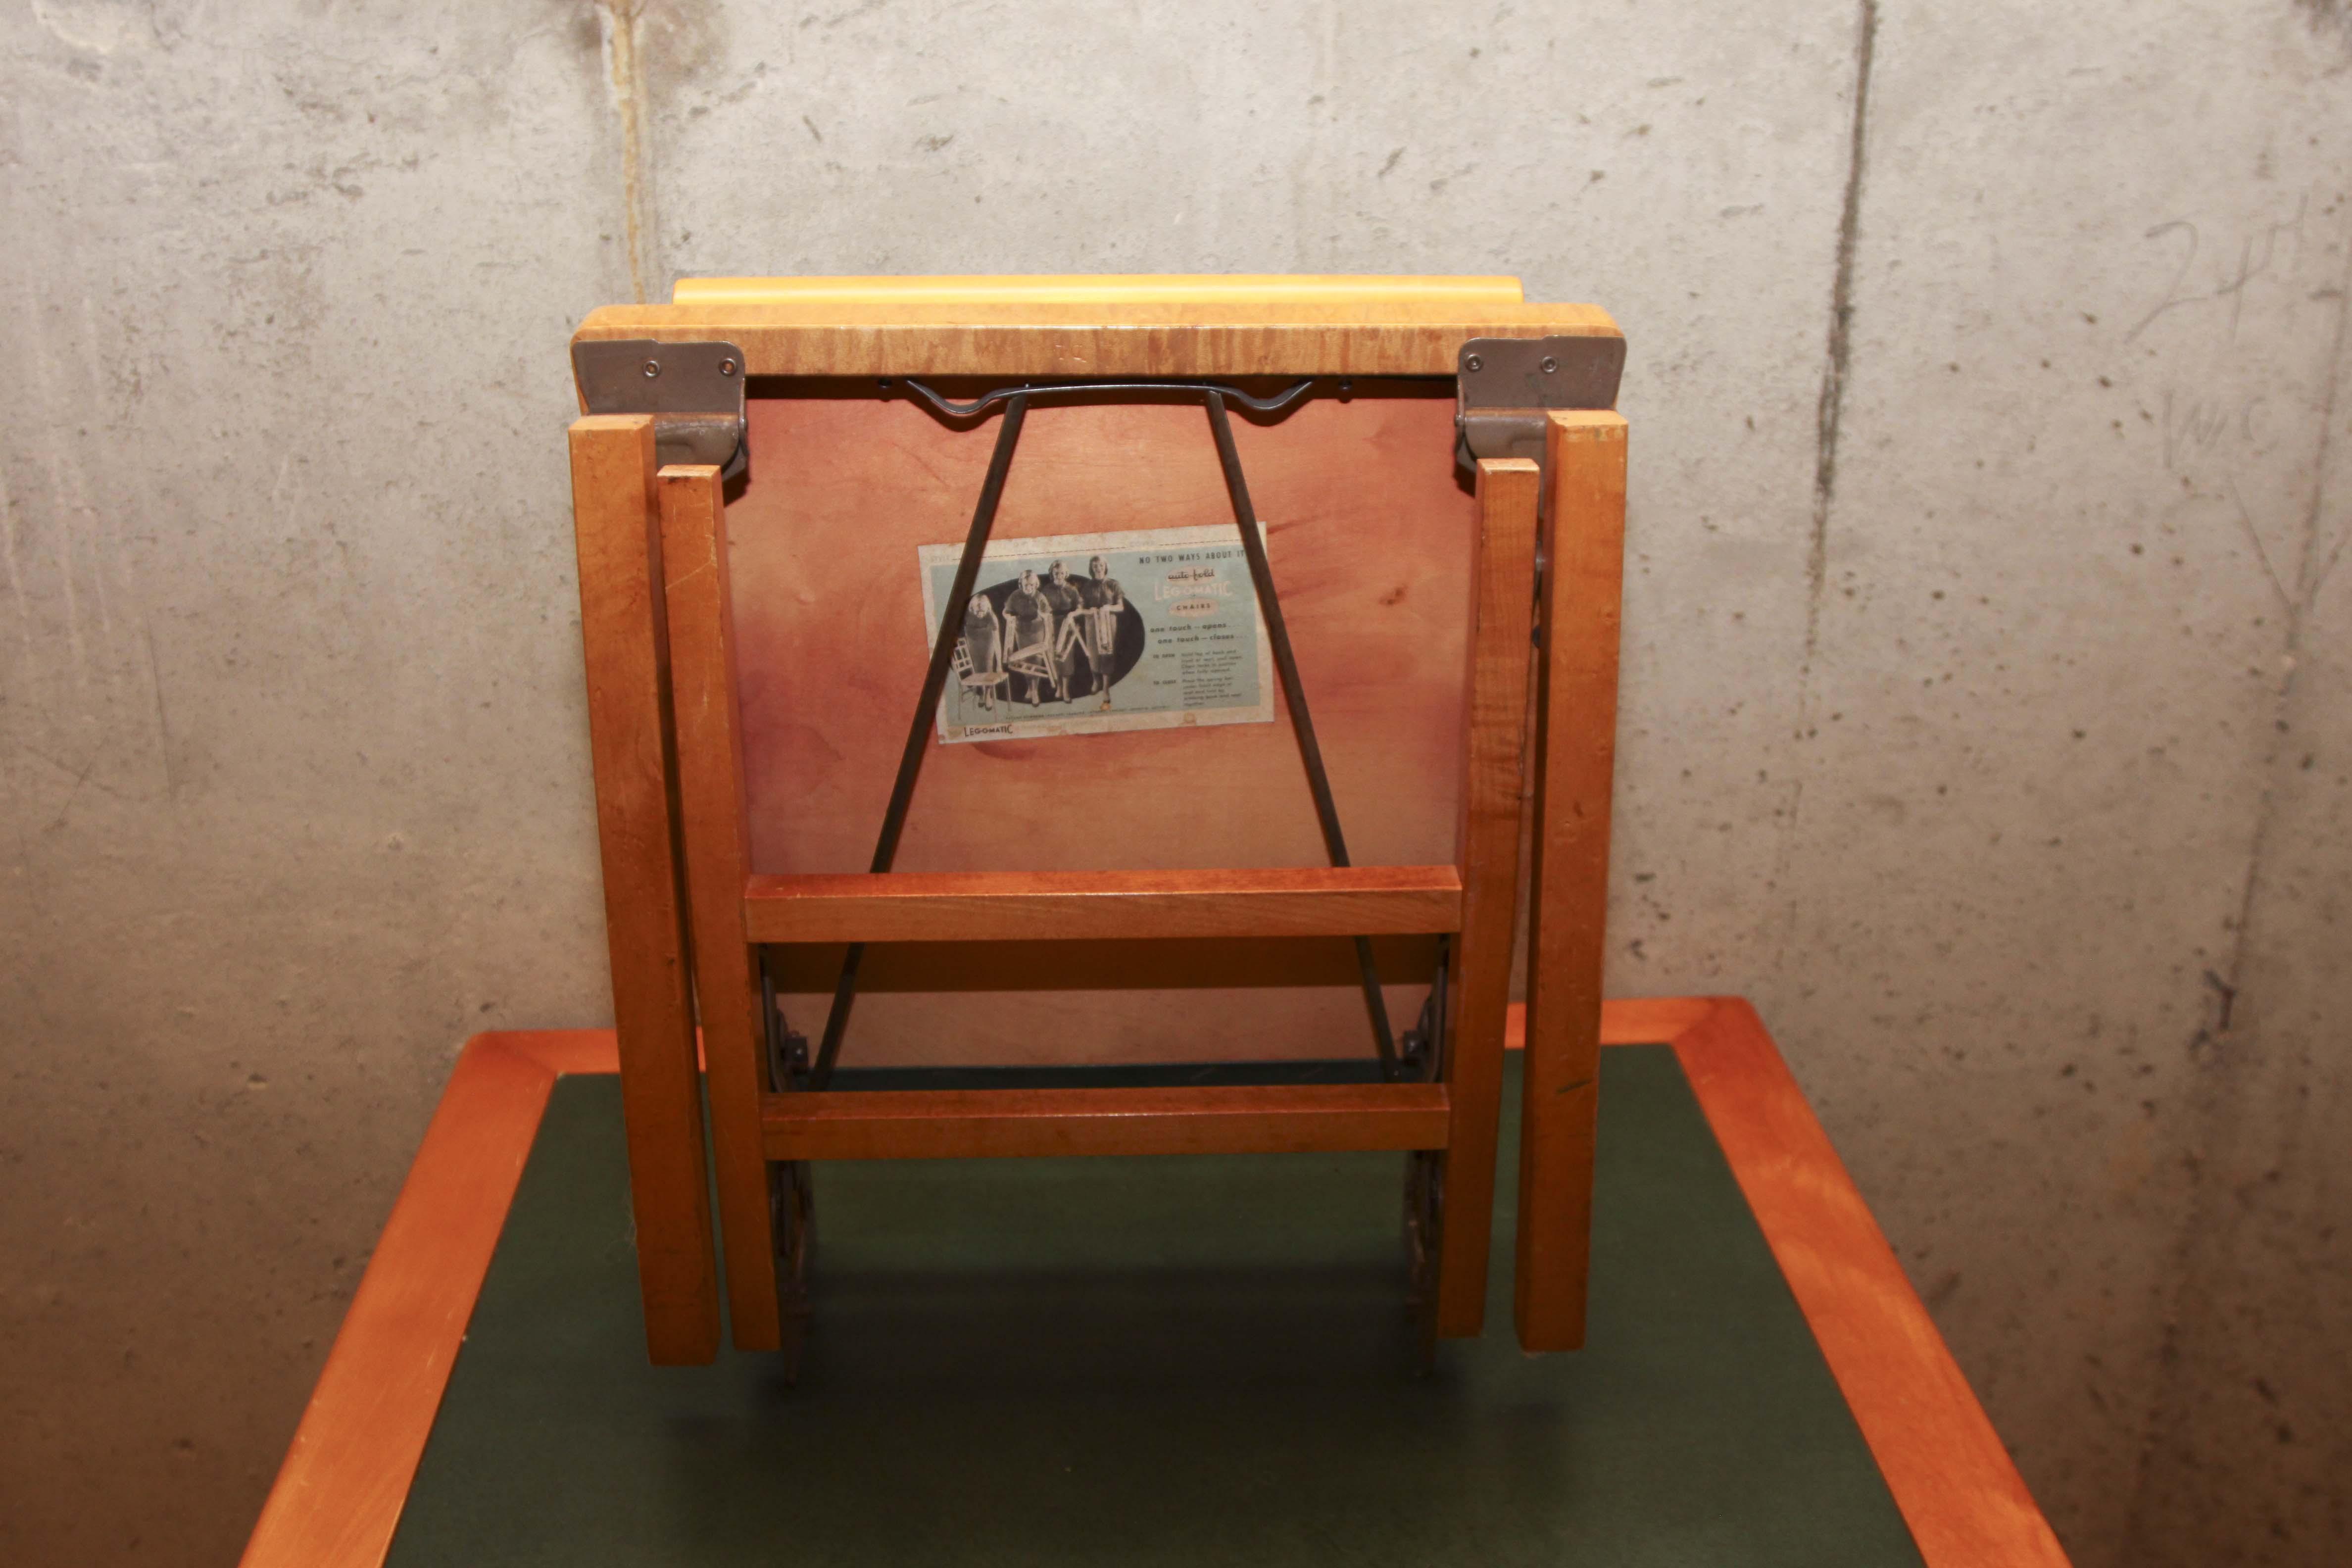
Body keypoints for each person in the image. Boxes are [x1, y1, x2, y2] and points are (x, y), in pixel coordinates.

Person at [1070, 554, 1126, 709]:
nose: (1098, 568)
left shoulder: (1114, 585)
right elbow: (1081, 607)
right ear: (1091, 569)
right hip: (1092, 623)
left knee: (1107, 654)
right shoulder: (1087, 586)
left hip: (1108, 623)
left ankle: (1106, 688)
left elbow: (1121, 607)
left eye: (1101, 565)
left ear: (1105, 567)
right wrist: (1087, 611)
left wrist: (1109, 608)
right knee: (1093, 654)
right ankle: (1096, 681)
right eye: (1095, 566)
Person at [999, 568, 1060, 705]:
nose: (1029, 588)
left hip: (1037, 631)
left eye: (1032, 585)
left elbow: (1047, 618)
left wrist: (1046, 640)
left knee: (1035, 662)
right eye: (1026, 585)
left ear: (1036, 585)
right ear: (1021, 584)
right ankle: (1030, 688)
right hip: (1021, 631)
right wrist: (1008, 617)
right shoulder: (1015, 596)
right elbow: (1006, 611)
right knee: (1025, 662)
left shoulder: (1040, 597)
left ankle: (1035, 691)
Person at [1040, 560, 1083, 701]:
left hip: (1067, 625)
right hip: (1051, 626)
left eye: (1062, 573)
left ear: (1066, 574)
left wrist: (1072, 614)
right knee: (1054, 659)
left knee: (1066, 659)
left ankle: (1065, 690)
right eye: (1056, 573)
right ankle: (1058, 687)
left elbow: (1080, 608)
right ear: (1052, 573)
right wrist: (1045, 615)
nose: (1059, 575)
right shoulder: (1046, 590)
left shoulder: (1072, 590)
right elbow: (1040, 609)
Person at [954, 592, 1004, 714]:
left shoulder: (992, 618)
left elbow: (997, 642)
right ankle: (982, 693)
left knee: (987, 667)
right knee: (977, 669)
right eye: (977, 612)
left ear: (988, 608)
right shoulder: (966, 615)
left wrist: (999, 664)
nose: (980, 614)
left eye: (983, 611)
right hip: (973, 643)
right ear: (972, 609)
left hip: (988, 643)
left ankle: (988, 694)